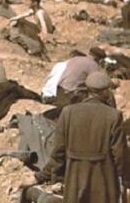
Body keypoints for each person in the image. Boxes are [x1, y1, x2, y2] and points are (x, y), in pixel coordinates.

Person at [35, 71, 128, 202]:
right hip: (104, 184)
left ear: (87, 90)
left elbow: (58, 153)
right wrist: (126, 181)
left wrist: (48, 178)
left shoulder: (68, 113)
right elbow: (120, 155)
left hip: (75, 183)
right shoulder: (113, 116)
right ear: (106, 92)